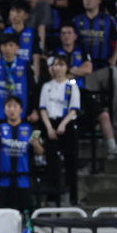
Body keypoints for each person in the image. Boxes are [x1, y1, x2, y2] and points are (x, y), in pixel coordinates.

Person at [55, 22, 117, 158]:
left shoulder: (82, 52)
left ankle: (113, 149)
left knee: (104, 116)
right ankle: (58, 153)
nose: (66, 36)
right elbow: (55, 74)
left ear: (75, 36)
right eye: (63, 33)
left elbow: (88, 69)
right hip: (60, 92)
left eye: (69, 33)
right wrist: (76, 71)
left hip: (80, 91)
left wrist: (68, 70)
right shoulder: (55, 53)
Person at [74, 0, 117, 130]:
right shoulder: (77, 21)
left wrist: (114, 58)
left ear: (99, 0)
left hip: (105, 67)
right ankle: (94, 126)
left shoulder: (108, 20)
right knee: (86, 97)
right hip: (85, 70)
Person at [0, 95, 44, 212]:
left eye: (15, 106)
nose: (12, 109)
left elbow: (40, 152)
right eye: (9, 106)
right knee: (3, 213)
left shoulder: (29, 129)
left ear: (21, 110)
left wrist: (36, 145)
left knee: (27, 213)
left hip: (24, 179)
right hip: (3, 179)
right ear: (4, 109)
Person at [39, 53, 80, 206]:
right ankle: (52, 199)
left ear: (67, 67)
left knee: (70, 162)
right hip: (50, 124)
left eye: (61, 65)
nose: (58, 68)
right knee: (51, 162)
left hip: (67, 124)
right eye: (55, 65)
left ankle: (73, 199)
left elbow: (74, 109)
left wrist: (63, 124)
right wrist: (49, 127)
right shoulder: (47, 86)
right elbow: (43, 109)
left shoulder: (72, 86)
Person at [0, 33, 36, 123]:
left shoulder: (25, 65)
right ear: (0, 47)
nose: (8, 48)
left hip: (21, 114)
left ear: (17, 47)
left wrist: (34, 110)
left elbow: (33, 89)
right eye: (5, 45)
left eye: (11, 45)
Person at [0, 0, 42, 81]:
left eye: (18, 12)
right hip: (5, 74)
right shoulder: (1, 33)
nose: (14, 15)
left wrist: (35, 80)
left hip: (26, 74)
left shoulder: (33, 33)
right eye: (12, 11)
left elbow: (36, 60)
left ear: (26, 16)